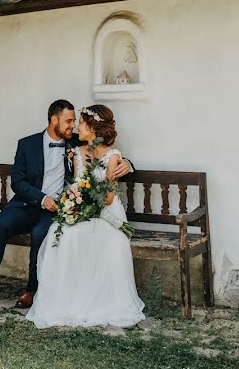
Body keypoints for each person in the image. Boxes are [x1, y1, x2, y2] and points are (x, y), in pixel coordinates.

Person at [0, 100, 133, 313]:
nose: (72, 126)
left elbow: (103, 152)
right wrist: (43, 198)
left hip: (57, 209)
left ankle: (32, 290)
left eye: (75, 122)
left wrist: (126, 163)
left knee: (40, 234)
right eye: (68, 121)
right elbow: (17, 182)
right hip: (27, 204)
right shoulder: (27, 144)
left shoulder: (75, 142)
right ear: (54, 120)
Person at [26, 104, 145, 328]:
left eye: (80, 122)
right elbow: (75, 184)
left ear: (92, 127)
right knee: (61, 236)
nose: (76, 127)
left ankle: (97, 302)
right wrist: (74, 203)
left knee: (102, 240)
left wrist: (83, 199)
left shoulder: (112, 156)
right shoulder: (76, 152)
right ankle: (65, 301)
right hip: (83, 211)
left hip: (107, 213)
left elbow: (108, 198)